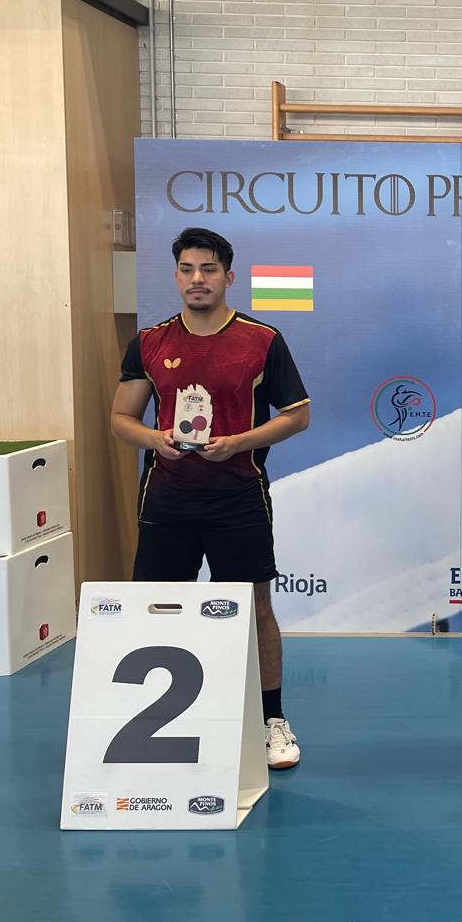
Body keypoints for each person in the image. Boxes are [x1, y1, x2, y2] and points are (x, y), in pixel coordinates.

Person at [110, 227, 312, 770]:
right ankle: (151, 721)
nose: (196, 279)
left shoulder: (261, 340)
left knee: (255, 607)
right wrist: (154, 439)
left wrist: (239, 443)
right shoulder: (150, 342)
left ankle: (271, 720)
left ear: (228, 276)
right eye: (187, 269)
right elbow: (121, 417)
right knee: (157, 608)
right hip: (167, 499)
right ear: (176, 275)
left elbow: (298, 416)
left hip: (239, 497)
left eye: (208, 269)